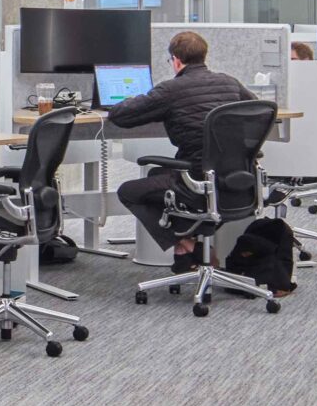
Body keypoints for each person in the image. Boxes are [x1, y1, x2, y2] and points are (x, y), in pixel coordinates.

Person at [104, 31, 253, 268]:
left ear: (176, 60)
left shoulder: (170, 90)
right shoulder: (230, 82)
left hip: (196, 182)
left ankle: (186, 244)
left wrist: (127, 101)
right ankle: (187, 251)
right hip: (233, 180)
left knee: (129, 191)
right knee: (156, 174)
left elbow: (121, 116)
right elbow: (255, 109)